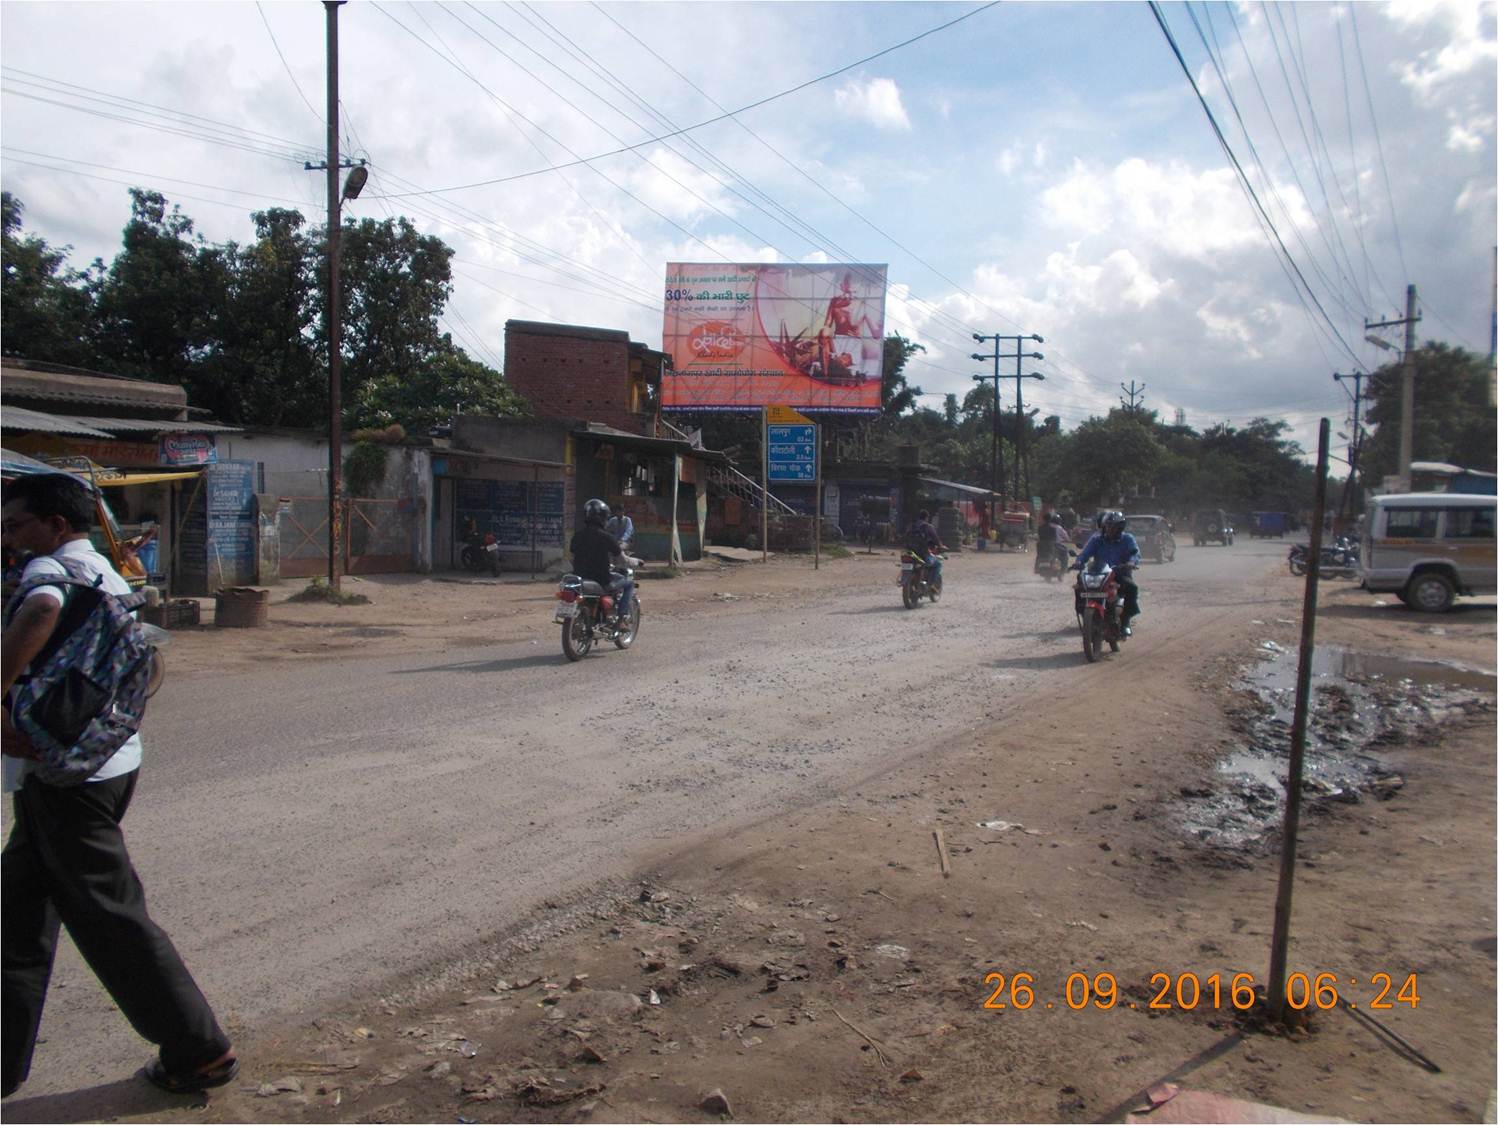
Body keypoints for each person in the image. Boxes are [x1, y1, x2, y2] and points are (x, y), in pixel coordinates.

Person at [1, 473, 237, 1099]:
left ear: (55, 525)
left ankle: (200, 1049)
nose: (9, 537)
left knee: (108, 916)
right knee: (16, 912)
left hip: (69, 778)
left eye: (15, 524)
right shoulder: (108, 574)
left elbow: (43, 608)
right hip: (98, 762)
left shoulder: (51, 574)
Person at [1073, 510, 1141, 635]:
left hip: (1119, 574)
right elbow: (1085, 553)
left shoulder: (1128, 539)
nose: (1109, 529)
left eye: (1113, 526)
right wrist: (1078, 562)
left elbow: (1135, 553)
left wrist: (1131, 563)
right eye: (1107, 526)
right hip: (1098, 573)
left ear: (1120, 528)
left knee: (1132, 588)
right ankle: (1084, 614)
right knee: (1079, 585)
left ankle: (1125, 620)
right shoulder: (1097, 540)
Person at [570, 498, 633, 619]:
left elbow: (573, 555)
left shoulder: (577, 536)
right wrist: (636, 561)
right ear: (603, 518)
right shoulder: (606, 537)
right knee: (629, 584)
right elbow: (622, 559)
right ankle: (621, 618)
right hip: (602, 579)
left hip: (581, 577)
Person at [905, 508, 947, 585]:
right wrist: (941, 546)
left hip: (909, 553)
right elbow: (936, 539)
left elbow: (905, 537)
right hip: (923, 554)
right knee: (938, 564)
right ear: (927, 518)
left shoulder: (911, 526)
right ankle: (930, 584)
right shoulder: (928, 527)